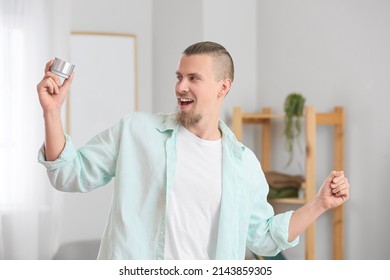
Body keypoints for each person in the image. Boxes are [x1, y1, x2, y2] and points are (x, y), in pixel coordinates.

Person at [37, 41, 350, 260]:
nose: (180, 87)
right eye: (179, 77)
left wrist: (320, 204)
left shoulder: (243, 165)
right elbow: (68, 174)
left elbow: (265, 239)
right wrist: (52, 112)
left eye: (193, 78)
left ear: (223, 87)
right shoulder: (136, 132)